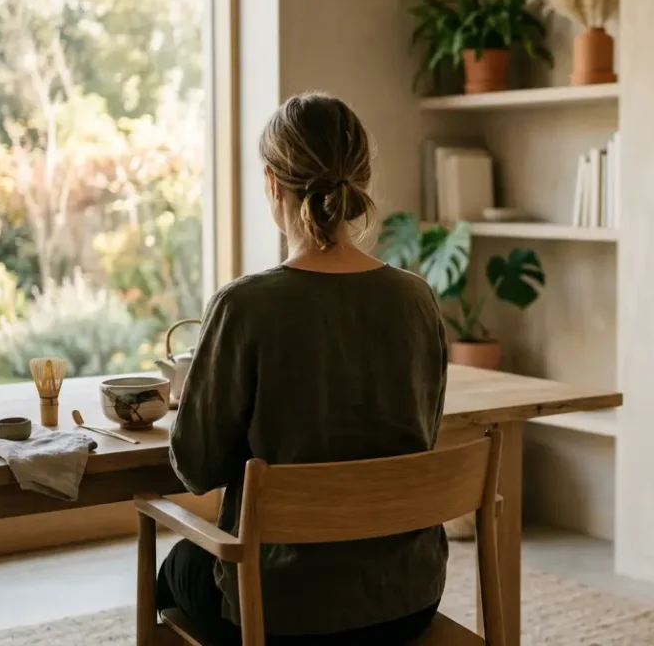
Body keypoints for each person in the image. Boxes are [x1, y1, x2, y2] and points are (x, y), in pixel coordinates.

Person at [156, 93, 449, 644]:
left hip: (281, 613)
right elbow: (419, 437)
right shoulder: (418, 301)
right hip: (407, 599)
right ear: (360, 180)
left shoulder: (244, 306)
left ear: (272, 183)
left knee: (173, 572)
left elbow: (196, 468)